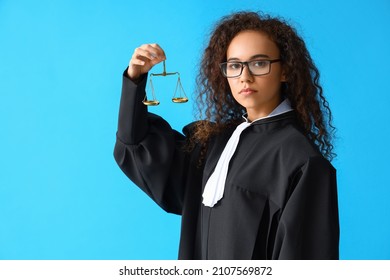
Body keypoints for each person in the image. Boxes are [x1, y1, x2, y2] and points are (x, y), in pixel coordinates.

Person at [114, 11, 339, 260]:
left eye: (259, 63)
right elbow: (140, 148)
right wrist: (135, 80)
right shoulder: (214, 143)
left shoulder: (302, 161)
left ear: (285, 70)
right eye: (234, 65)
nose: (245, 76)